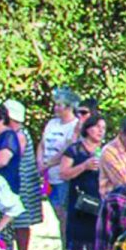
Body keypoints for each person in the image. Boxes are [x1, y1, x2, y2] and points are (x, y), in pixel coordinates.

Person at [57, 113, 107, 250]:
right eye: (97, 127)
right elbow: (63, 173)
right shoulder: (75, 150)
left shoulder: (105, 151)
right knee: (77, 238)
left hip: (99, 198)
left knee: (99, 238)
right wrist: (84, 166)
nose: (101, 131)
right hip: (79, 199)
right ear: (88, 128)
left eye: (103, 128)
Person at [5, 100, 44, 250]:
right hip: (19, 179)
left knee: (22, 218)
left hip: (24, 181)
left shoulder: (19, 134)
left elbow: (16, 155)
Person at [40, 88, 82, 233]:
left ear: (69, 107)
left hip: (61, 174)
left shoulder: (75, 125)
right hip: (48, 174)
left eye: (59, 105)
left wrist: (50, 163)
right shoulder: (52, 123)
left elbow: (69, 148)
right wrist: (40, 162)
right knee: (55, 210)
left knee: (63, 213)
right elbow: (42, 143)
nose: (55, 107)